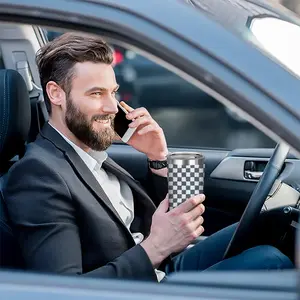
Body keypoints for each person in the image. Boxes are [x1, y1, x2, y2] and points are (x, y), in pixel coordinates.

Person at [4, 33, 293, 282]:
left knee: (268, 229)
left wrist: (159, 156)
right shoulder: (37, 175)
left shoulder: (91, 151)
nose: (110, 106)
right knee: (270, 263)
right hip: (139, 285)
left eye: (113, 92)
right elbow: (62, 292)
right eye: (95, 93)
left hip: (161, 266)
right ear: (56, 94)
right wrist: (155, 247)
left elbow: (178, 220)